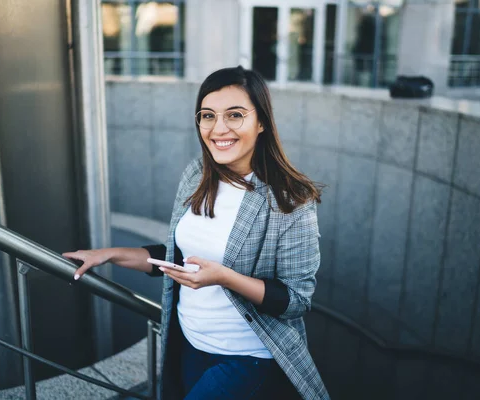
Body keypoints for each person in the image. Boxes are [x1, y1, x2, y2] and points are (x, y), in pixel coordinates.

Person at [64, 66, 330, 400]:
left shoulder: (290, 200)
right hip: (188, 344)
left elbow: (296, 300)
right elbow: (178, 257)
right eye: (208, 116)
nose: (219, 128)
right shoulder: (196, 174)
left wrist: (225, 278)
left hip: (246, 357)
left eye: (235, 115)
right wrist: (110, 255)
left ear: (261, 122)